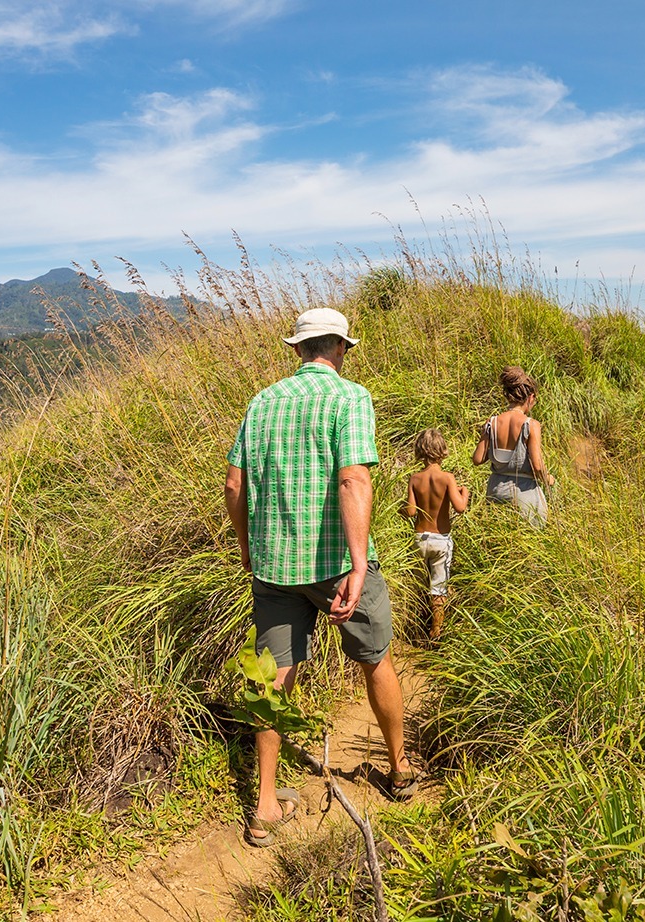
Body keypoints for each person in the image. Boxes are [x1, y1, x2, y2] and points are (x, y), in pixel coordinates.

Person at [223, 306, 416, 848]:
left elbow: (235, 485)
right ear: (340, 349)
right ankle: (399, 769)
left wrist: (247, 546)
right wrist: (358, 565)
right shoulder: (349, 397)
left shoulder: (262, 403)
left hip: (274, 565)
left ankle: (264, 805)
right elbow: (353, 479)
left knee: (272, 675)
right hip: (336, 563)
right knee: (375, 658)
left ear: (298, 351)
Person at [402, 428, 470, 643]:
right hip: (441, 539)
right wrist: (464, 493)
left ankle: (412, 625)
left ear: (420, 451)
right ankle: (435, 631)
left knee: (418, 583)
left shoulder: (415, 479)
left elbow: (411, 511)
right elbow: (459, 508)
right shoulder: (447, 478)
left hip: (420, 538)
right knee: (439, 588)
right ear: (442, 451)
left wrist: (400, 509)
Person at [473, 366, 555, 525]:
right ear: (530, 398)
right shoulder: (531, 425)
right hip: (523, 493)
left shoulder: (492, 422)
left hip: (496, 491)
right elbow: (537, 466)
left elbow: (477, 459)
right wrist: (548, 479)